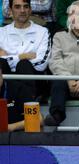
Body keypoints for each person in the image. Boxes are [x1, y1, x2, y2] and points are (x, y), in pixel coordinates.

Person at [0, 0, 50, 130]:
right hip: (6, 86)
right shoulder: (1, 32)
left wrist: (11, 57)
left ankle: (28, 106)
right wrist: (22, 56)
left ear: (30, 10)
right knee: (3, 63)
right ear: (10, 11)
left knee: (24, 65)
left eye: (25, 7)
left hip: (33, 83)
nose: (22, 10)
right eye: (17, 7)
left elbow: (41, 64)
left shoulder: (43, 32)